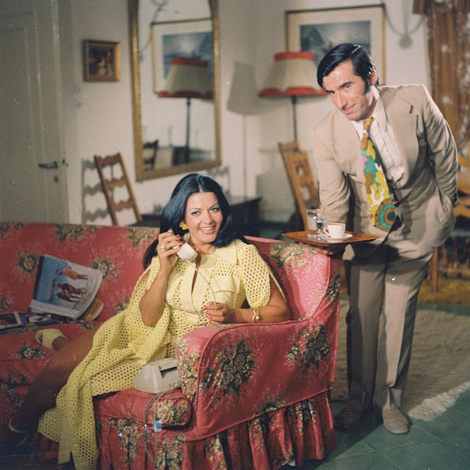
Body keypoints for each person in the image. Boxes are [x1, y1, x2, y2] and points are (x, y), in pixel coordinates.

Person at [0, 173, 289, 469]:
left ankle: (60, 346)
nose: (208, 220)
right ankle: (14, 432)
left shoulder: (241, 255)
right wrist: (163, 268)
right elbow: (147, 318)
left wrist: (236, 315)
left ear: (224, 211)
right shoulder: (174, 250)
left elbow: (280, 310)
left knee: (83, 376)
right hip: (138, 329)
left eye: (214, 209)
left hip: (176, 351)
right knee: (59, 366)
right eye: (196, 212)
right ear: (182, 219)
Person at [312, 44, 457, 434]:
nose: (340, 101)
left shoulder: (415, 101)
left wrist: (445, 205)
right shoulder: (325, 133)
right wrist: (333, 246)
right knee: (360, 316)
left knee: (398, 315)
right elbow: (334, 199)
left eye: (346, 86)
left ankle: (389, 402)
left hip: (418, 223)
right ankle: (357, 400)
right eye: (330, 92)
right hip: (366, 232)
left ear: (371, 77)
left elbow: (445, 154)